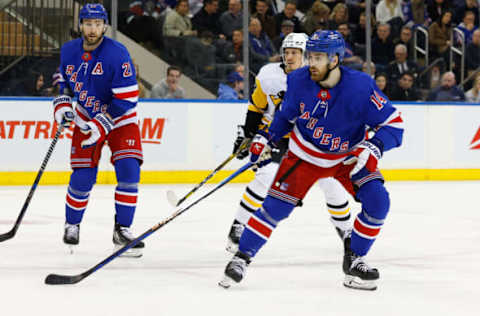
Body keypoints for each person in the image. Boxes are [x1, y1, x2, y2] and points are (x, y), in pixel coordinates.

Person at [219, 30, 404, 291]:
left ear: (336, 59)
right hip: (304, 155)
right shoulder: (297, 80)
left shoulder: (360, 86)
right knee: (275, 209)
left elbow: (394, 124)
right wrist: (266, 137)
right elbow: (285, 117)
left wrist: (374, 146)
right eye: (310, 56)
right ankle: (241, 258)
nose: (311, 63)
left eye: (318, 57)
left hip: (347, 158)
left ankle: (354, 261)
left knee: (378, 202)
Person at [225, 32, 354, 255]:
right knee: (266, 177)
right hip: (276, 137)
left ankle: (347, 231)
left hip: (308, 139)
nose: (290, 57)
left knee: (331, 182)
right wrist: (247, 135)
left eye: (295, 53)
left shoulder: (320, 78)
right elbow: (256, 107)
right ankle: (239, 226)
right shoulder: (268, 75)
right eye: (287, 52)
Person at [53, 3, 145, 257]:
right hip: (85, 116)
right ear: (81, 25)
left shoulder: (118, 53)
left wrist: (103, 123)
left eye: (97, 24)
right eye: (88, 23)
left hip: (121, 119)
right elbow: (64, 80)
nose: (92, 29)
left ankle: (122, 230)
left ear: (104, 25)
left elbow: (127, 97)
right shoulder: (69, 50)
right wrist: (61, 102)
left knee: (129, 171)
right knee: (83, 175)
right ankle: (72, 224)